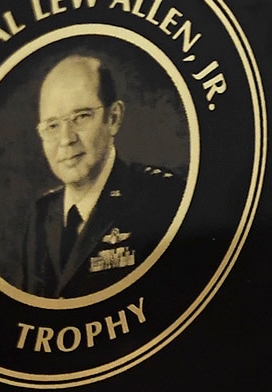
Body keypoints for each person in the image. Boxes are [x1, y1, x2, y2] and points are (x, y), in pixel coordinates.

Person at [21, 54, 181, 299]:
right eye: (52, 126)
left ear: (113, 118)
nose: (66, 139)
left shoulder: (162, 198)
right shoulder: (41, 214)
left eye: (81, 116)